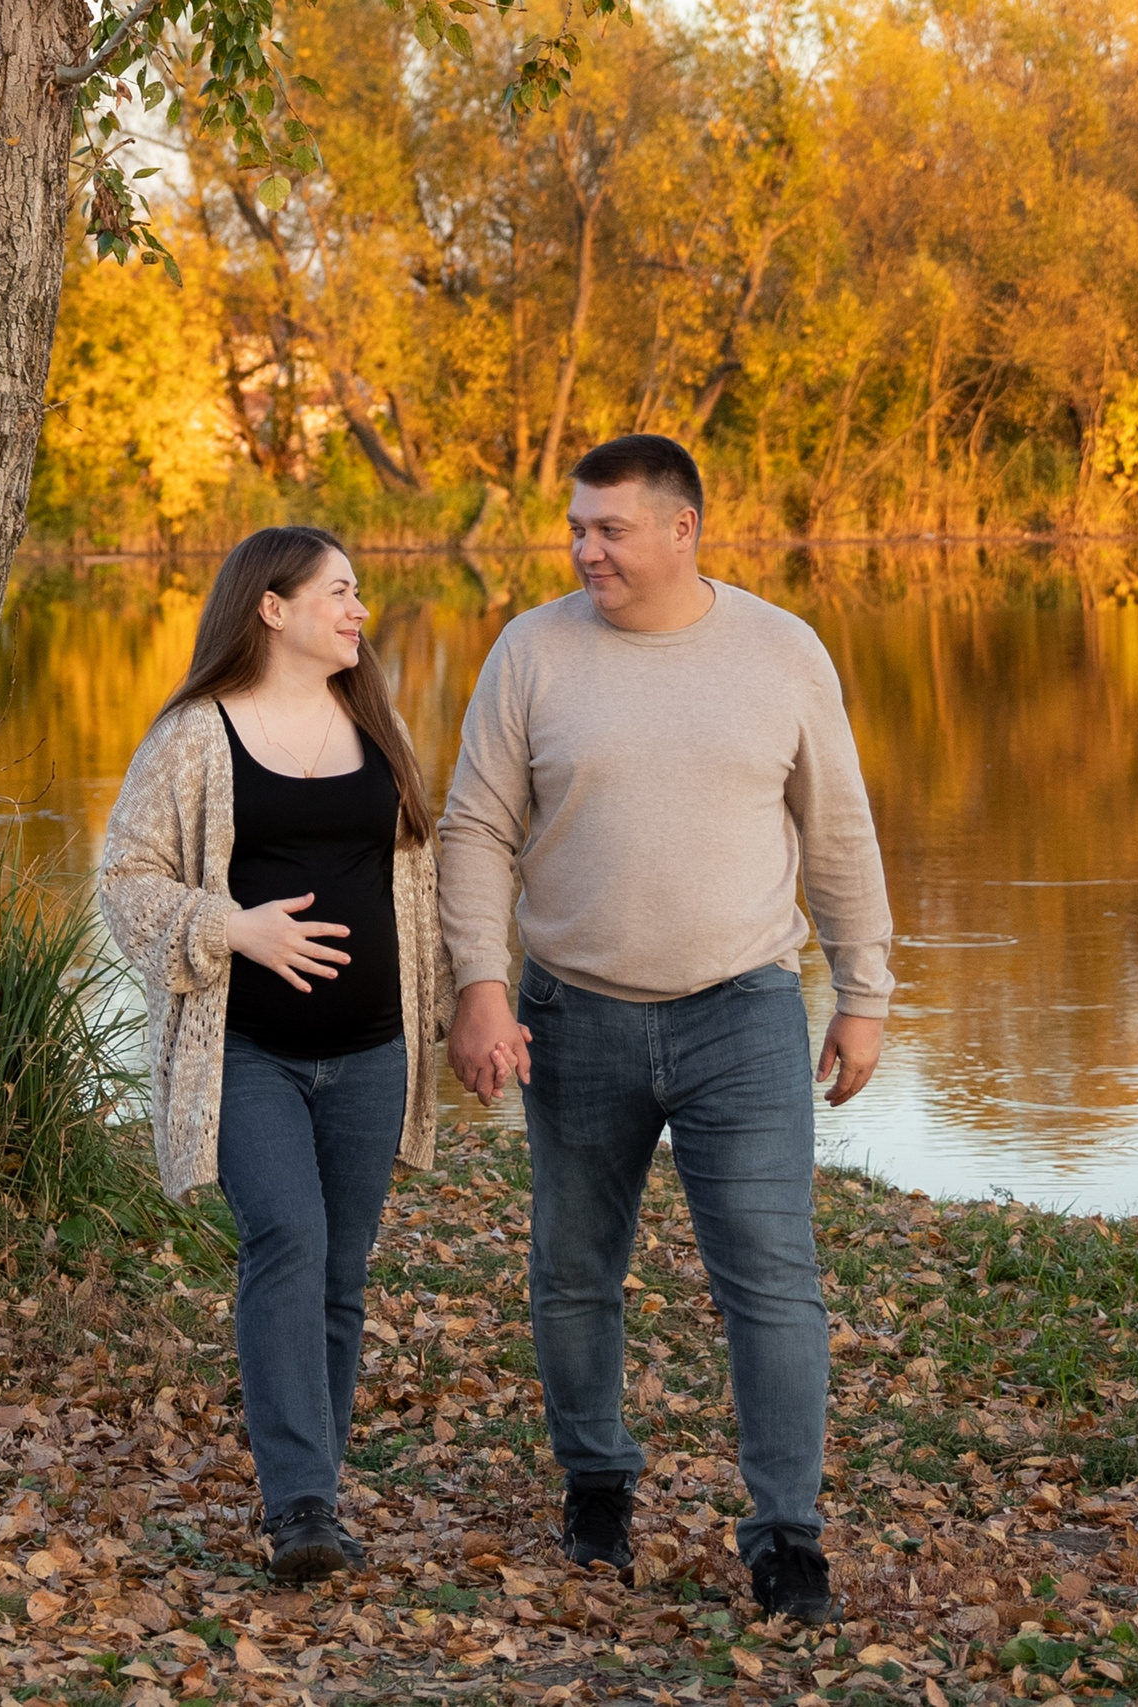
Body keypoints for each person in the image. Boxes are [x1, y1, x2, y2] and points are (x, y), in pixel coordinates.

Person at [439, 434, 894, 1625]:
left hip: (741, 1014)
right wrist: (478, 985)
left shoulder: (780, 652)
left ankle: (786, 1536)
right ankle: (596, 1482)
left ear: (683, 529)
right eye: (578, 528)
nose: (585, 548)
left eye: (610, 530)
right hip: (570, 1012)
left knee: (774, 1279)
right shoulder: (531, 651)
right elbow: (475, 827)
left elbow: (836, 829)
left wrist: (865, 991)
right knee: (574, 1271)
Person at [99, 526, 452, 1584]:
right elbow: (123, 879)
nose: (358, 612)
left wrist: (459, 1005)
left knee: (340, 1274)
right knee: (287, 1239)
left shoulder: (372, 721)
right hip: (248, 1049)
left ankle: (318, 1493)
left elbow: (422, 877)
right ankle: (298, 1505)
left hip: (373, 1051)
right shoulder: (194, 737)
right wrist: (233, 927)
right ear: (272, 606)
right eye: (341, 592)